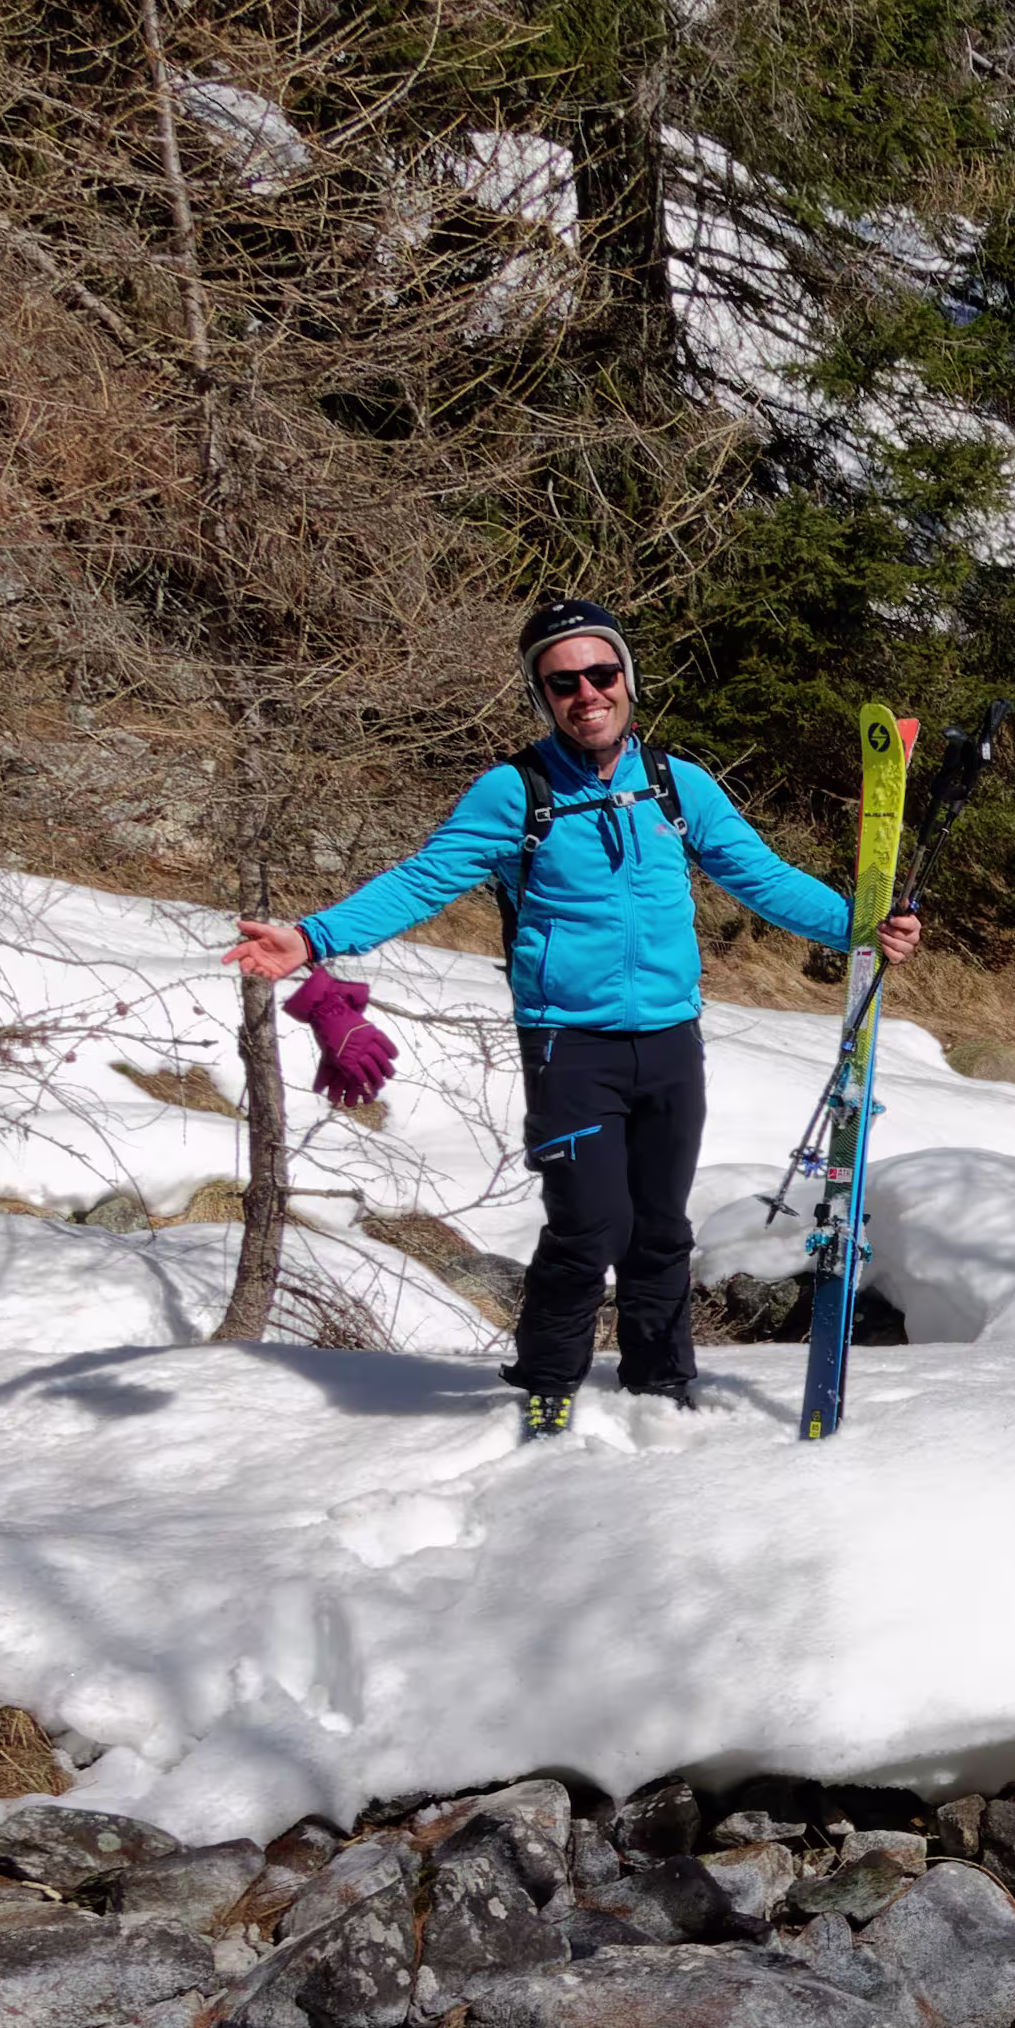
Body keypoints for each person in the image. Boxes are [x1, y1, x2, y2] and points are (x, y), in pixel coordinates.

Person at [229, 594, 917, 1437]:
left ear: (627, 678)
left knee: (660, 1230)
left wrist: (858, 926)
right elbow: (423, 879)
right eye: (563, 683)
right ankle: (549, 1382)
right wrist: (313, 937)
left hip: (671, 1040)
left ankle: (660, 1385)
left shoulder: (675, 784)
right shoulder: (515, 791)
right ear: (542, 696)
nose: (587, 693)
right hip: (570, 1043)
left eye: (601, 673)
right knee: (590, 1227)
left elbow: (760, 875)